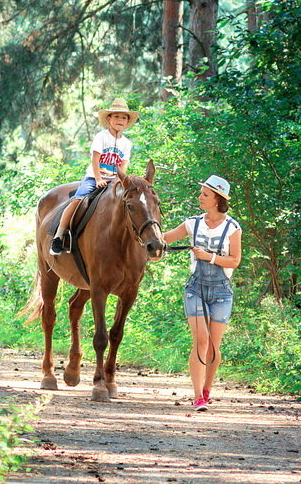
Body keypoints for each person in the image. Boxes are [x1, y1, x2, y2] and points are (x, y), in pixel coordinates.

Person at [160, 175, 242, 411]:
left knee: (214, 345)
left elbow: (235, 260)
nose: (200, 197)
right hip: (195, 288)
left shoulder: (232, 228)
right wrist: (142, 234)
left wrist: (210, 257)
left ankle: (207, 389)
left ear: (218, 199)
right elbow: (163, 239)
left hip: (222, 292)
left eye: (205, 194)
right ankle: (197, 397)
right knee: (201, 340)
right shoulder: (192, 223)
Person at [50, 98, 139, 255]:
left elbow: (123, 165)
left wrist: (121, 180)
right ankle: (59, 235)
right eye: (117, 117)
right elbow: (96, 159)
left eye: (124, 117)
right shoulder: (102, 137)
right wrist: (98, 178)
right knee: (77, 200)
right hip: (95, 177)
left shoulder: (127, 143)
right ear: (109, 119)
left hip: (115, 180)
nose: (120, 120)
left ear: (127, 122)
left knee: (131, 201)